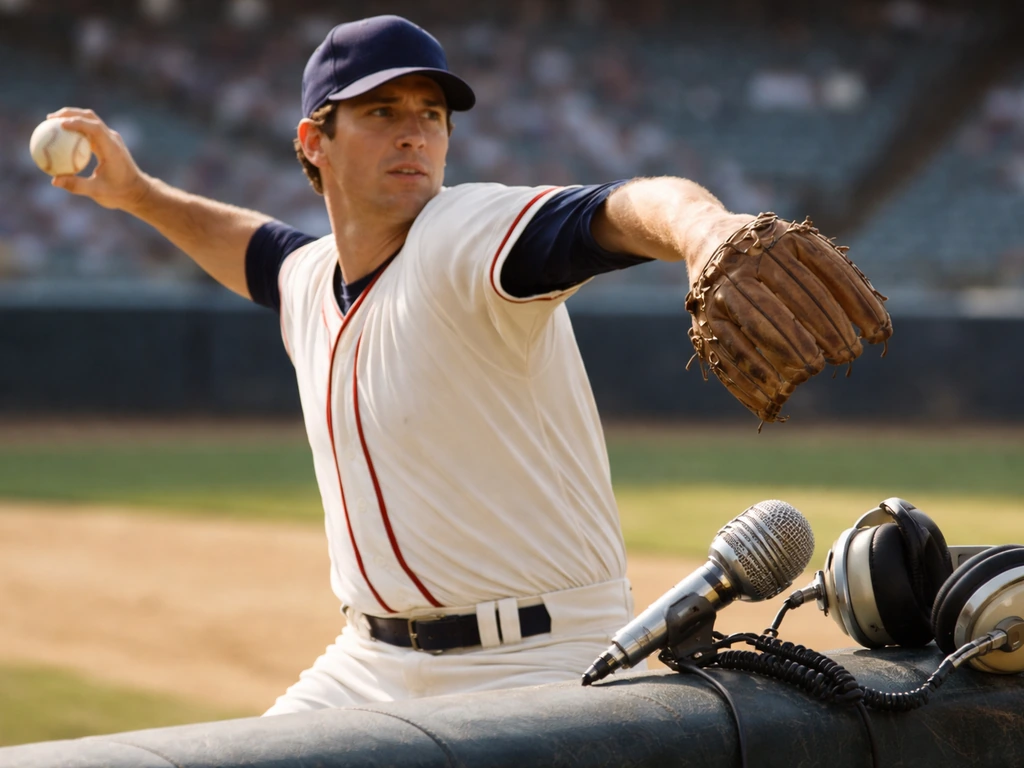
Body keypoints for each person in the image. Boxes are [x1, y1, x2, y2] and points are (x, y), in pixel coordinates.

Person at [45, 15, 868, 714]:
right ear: (313, 140)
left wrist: (703, 228)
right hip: (366, 668)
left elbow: (613, 209)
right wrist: (138, 193)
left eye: (431, 113)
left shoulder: (463, 235)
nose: (415, 129)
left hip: (537, 663)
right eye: (380, 110)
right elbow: (255, 249)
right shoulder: (310, 280)